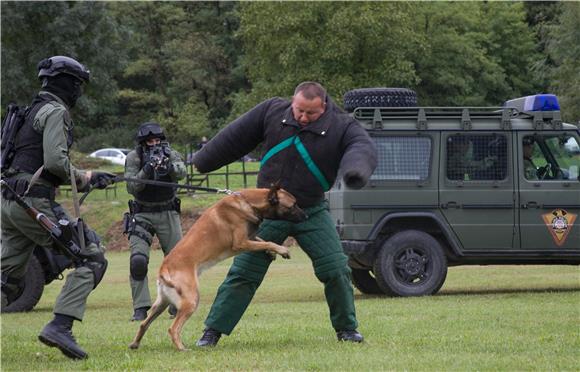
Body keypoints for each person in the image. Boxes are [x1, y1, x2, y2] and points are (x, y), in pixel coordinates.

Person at [192, 81, 377, 346]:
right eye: (298, 110)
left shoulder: (342, 125)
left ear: (323, 106)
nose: (302, 117)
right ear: (293, 101)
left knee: (336, 268)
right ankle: (212, 332)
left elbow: (361, 147)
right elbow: (234, 137)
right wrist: (203, 161)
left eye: (310, 113)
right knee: (244, 272)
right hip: (267, 212)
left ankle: (347, 330)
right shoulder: (272, 111)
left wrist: (355, 171)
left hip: (309, 210)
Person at [1, 56, 114, 359]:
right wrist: (86, 176)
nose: (79, 92)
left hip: (10, 202)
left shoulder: (28, 112)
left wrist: (88, 178)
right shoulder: (55, 112)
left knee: (8, 280)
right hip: (33, 204)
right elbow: (54, 162)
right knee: (91, 257)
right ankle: (60, 327)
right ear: (68, 84)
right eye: (78, 85)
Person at [124, 122, 187, 321]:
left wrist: (168, 166)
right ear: (143, 143)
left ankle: (176, 304)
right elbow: (132, 187)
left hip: (168, 212)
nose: (154, 144)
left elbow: (182, 173)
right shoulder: (134, 158)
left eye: (157, 140)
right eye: (150, 141)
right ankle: (141, 308)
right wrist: (148, 168)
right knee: (138, 261)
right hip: (142, 213)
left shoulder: (172, 154)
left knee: (178, 261)